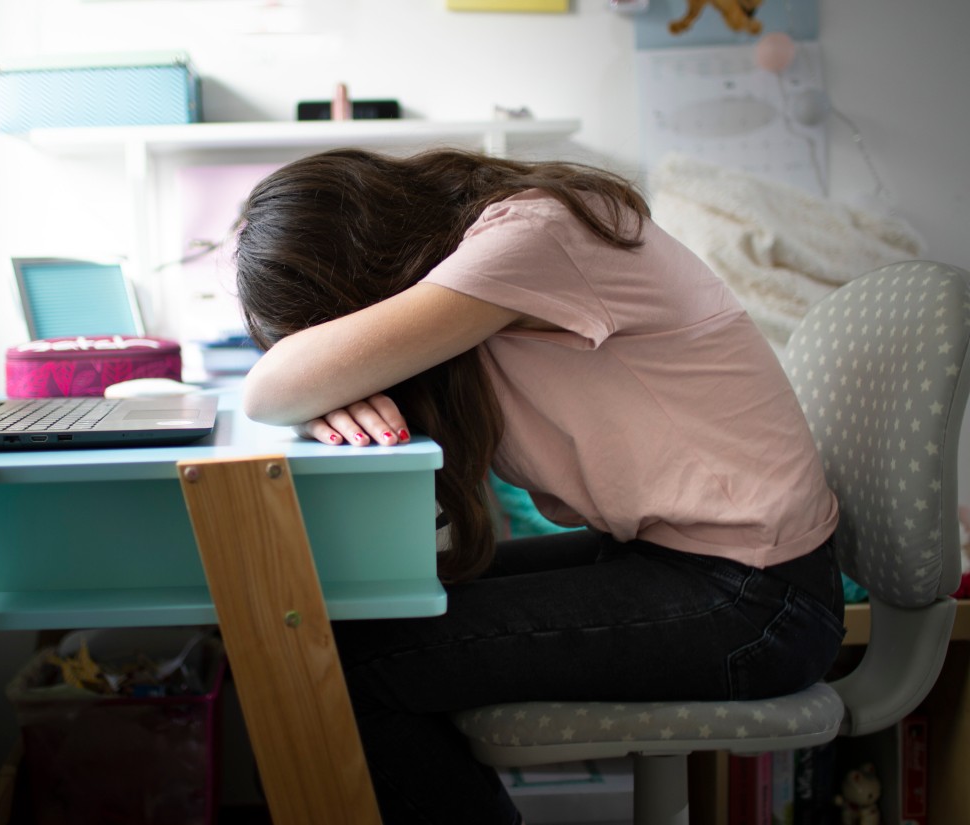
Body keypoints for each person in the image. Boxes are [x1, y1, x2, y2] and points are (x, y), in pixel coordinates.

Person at [233, 148, 844, 824]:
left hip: (760, 600)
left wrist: (316, 379)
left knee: (339, 662)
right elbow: (287, 383)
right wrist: (326, 386)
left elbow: (267, 387)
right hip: (699, 568)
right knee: (354, 619)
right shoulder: (499, 256)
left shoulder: (535, 236)